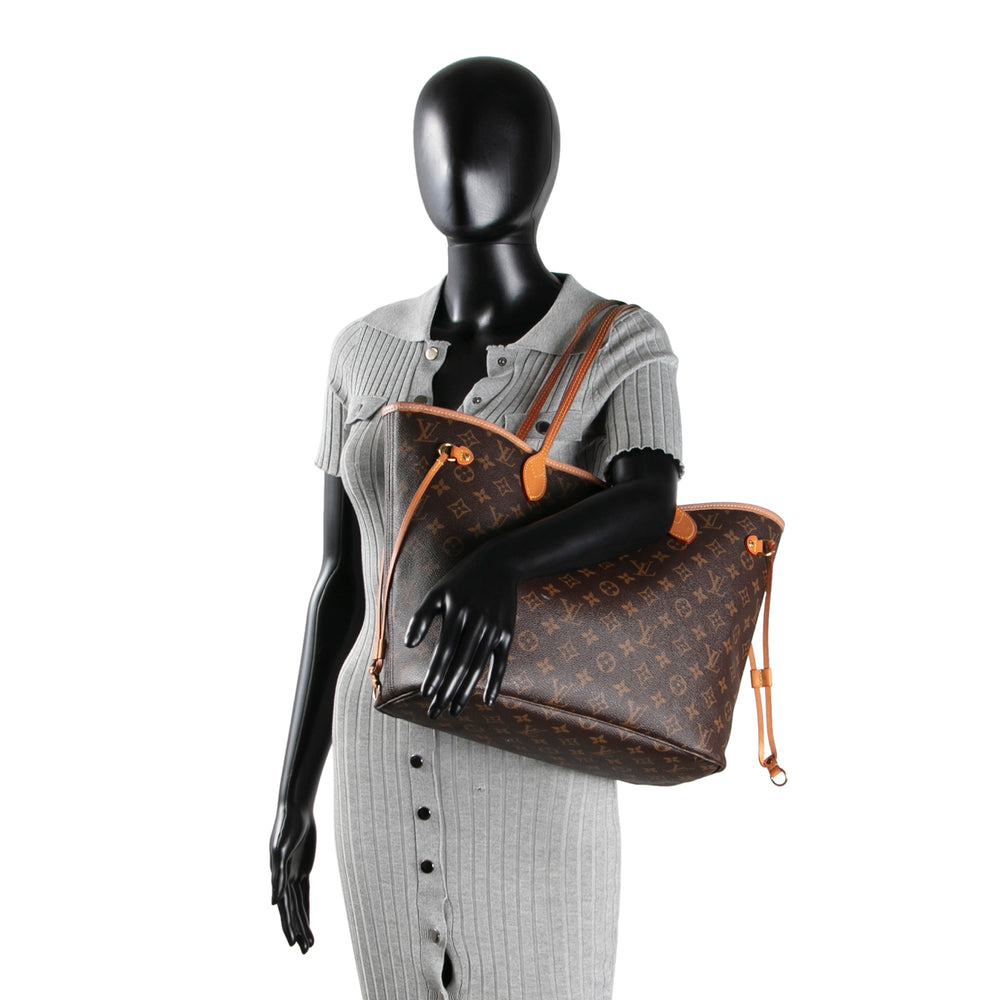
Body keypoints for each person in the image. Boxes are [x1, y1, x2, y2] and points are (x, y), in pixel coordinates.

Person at [270, 56, 683, 1000]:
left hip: (535, 765)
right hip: (372, 762)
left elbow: (649, 498)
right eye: (441, 143)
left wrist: (503, 564)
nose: (462, 165)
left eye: (493, 142)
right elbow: (340, 582)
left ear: (544, 164)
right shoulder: (360, 353)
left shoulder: (619, 342)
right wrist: (294, 793)